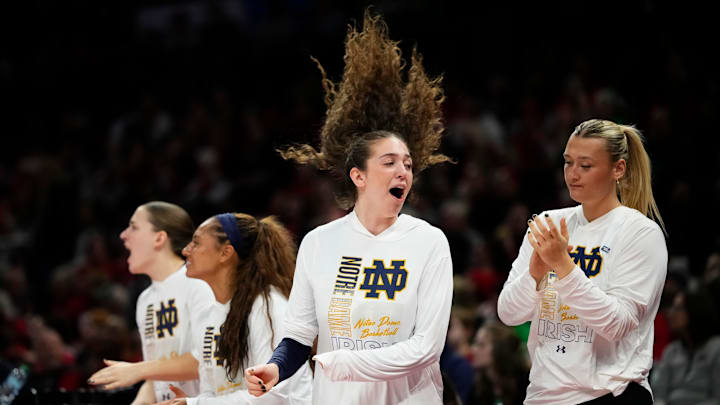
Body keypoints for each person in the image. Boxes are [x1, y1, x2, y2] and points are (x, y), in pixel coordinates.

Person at [243, 10, 454, 405]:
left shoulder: (429, 242)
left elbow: (427, 347)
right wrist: (275, 367)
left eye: (408, 164)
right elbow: (299, 334)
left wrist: (345, 362)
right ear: (358, 176)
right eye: (389, 163)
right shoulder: (319, 242)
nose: (403, 172)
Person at [497, 119, 668, 404]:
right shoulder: (548, 222)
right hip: (543, 394)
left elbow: (617, 324)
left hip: (610, 394)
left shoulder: (641, 233)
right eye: (568, 162)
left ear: (619, 169)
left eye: (585, 166)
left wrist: (563, 267)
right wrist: (534, 276)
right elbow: (508, 313)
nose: (573, 174)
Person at [92, 213, 313, 405]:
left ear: (225, 253)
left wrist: (195, 403)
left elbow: (270, 397)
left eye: (196, 243)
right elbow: (212, 390)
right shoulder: (209, 315)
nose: (186, 250)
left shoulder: (268, 308)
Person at [89, 201, 214, 404]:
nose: (123, 235)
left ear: (159, 238)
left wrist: (137, 369)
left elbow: (206, 362)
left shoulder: (199, 284)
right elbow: (155, 382)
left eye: (134, 227)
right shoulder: (145, 300)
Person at [651, 288, 720, 405]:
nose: (670, 314)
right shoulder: (671, 351)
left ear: (694, 311)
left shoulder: (716, 349)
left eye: (677, 308)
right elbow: (658, 394)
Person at [469, 322, 529, 405]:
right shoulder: (478, 387)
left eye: (481, 345)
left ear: (500, 350)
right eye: (475, 343)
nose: (473, 349)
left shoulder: (525, 383)